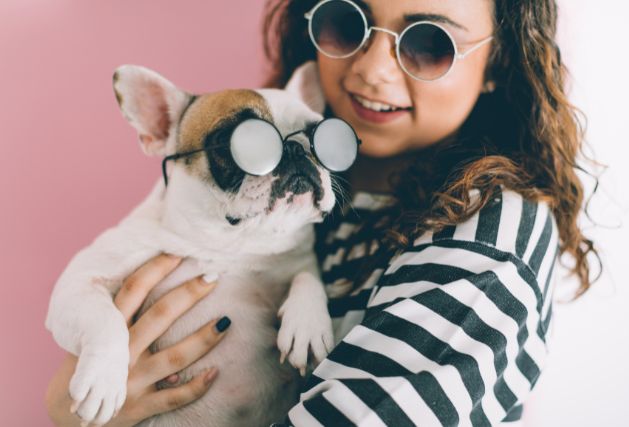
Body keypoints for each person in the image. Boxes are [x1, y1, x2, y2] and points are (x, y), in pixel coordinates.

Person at [45, 0, 599, 425]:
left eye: (429, 44)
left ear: (501, 58)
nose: (373, 69)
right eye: (347, 22)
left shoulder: (483, 244)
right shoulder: (319, 196)